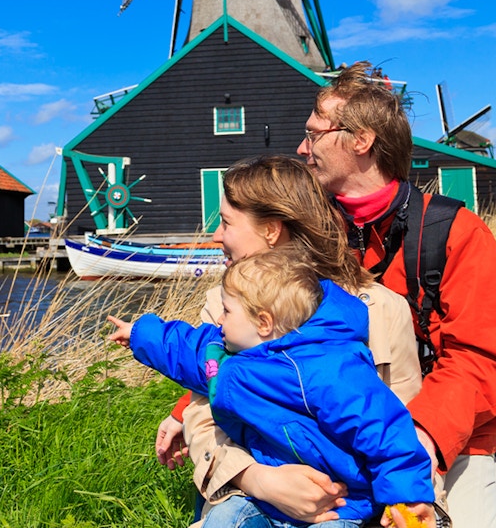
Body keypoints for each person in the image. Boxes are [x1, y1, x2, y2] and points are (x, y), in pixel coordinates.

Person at [275, 62, 496, 528]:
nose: (302, 148)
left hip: (443, 433)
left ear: (361, 140)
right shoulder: (308, 233)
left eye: (314, 134)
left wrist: (421, 436)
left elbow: (481, 357)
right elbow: (256, 327)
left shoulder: (455, 233)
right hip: (342, 432)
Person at [150, 155, 422, 521]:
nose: (215, 235)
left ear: (271, 230)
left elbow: (406, 426)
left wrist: (418, 510)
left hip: (350, 505)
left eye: (227, 222)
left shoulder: (382, 310)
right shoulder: (223, 308)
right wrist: (258, 479)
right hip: (252, 493)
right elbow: (205, 414)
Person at [108, 248, 436, 528]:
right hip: (268, 497)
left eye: (227, 310)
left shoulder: (329, 370)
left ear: (264, 323)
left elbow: (386, 432)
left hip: (341, 503)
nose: (219, 320)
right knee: (225, 520)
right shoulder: (227, 356)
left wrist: (406, 497)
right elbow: (184, 347)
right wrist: (139, 333)